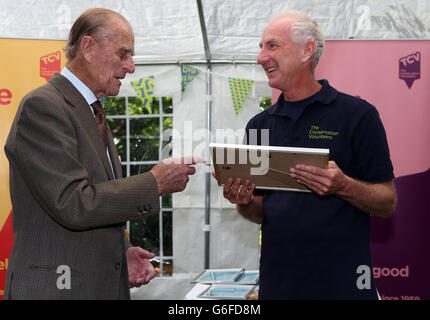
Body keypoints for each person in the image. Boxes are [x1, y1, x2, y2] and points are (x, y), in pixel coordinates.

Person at [3, 8, 202, 300]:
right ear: (88, 47)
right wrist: (154, 183)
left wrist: (121, 253)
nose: (131, 66)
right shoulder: (43, 107)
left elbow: (95, 204)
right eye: (123, 54)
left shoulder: (90, 111)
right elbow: (73, 203)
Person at [221, 11, 397, 299]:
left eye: (272, 46)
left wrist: (343, 186)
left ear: (307, 51)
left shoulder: (357, 115)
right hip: (280, 285)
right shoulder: (259, 125)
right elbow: (261, 211)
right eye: (260, 47)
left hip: (342, 285)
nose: (260, 57)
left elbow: (387, 202)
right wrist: (244, 201)